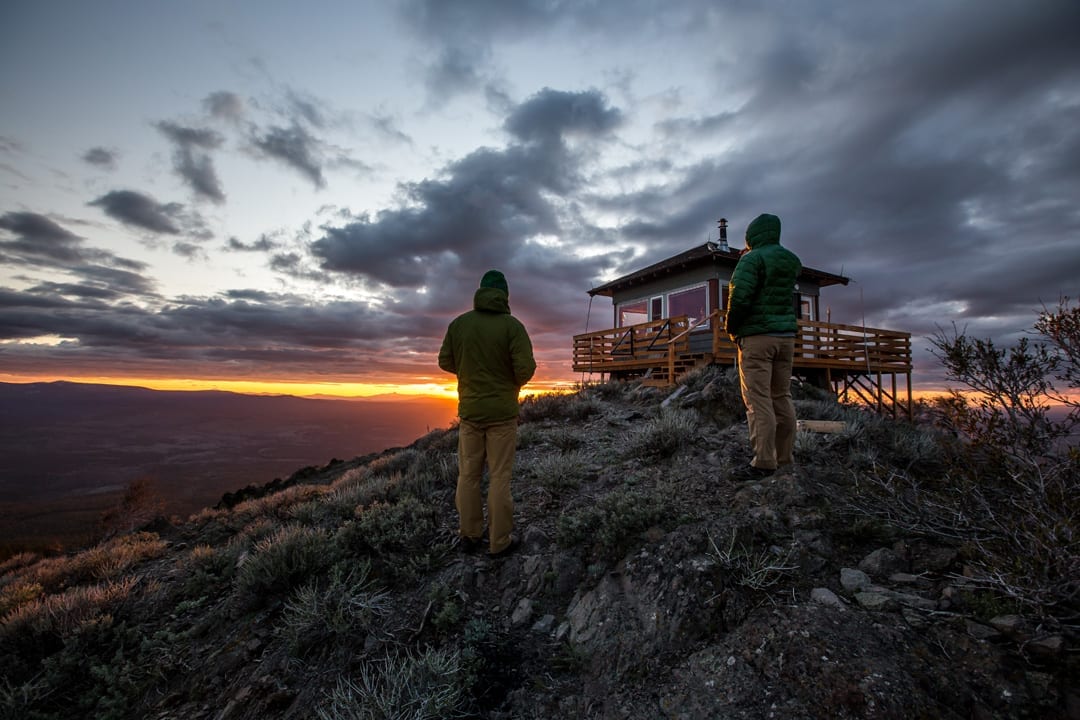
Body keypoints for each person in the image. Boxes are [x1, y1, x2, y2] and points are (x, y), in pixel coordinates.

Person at [438, 269, 536, 556]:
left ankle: (469, 535)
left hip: (470, 414)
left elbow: (445, 361)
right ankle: (499, 542)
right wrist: (508, 382)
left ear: (480, 292)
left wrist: (470, 372)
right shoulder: (513, 327)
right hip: (503, 416)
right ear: (504, 295)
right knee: (499, 477)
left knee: (468, 475)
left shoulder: (459, 325)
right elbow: (525, 369)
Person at [724, 213, 802, 481]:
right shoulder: (791, 260)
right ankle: (784, 457)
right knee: (781, 395)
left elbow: (740, 296)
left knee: (758, 399)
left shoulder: (752, 259)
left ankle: (764, 462)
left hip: (758, 337)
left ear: (752, 235)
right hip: (786, 337)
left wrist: (731, 327)